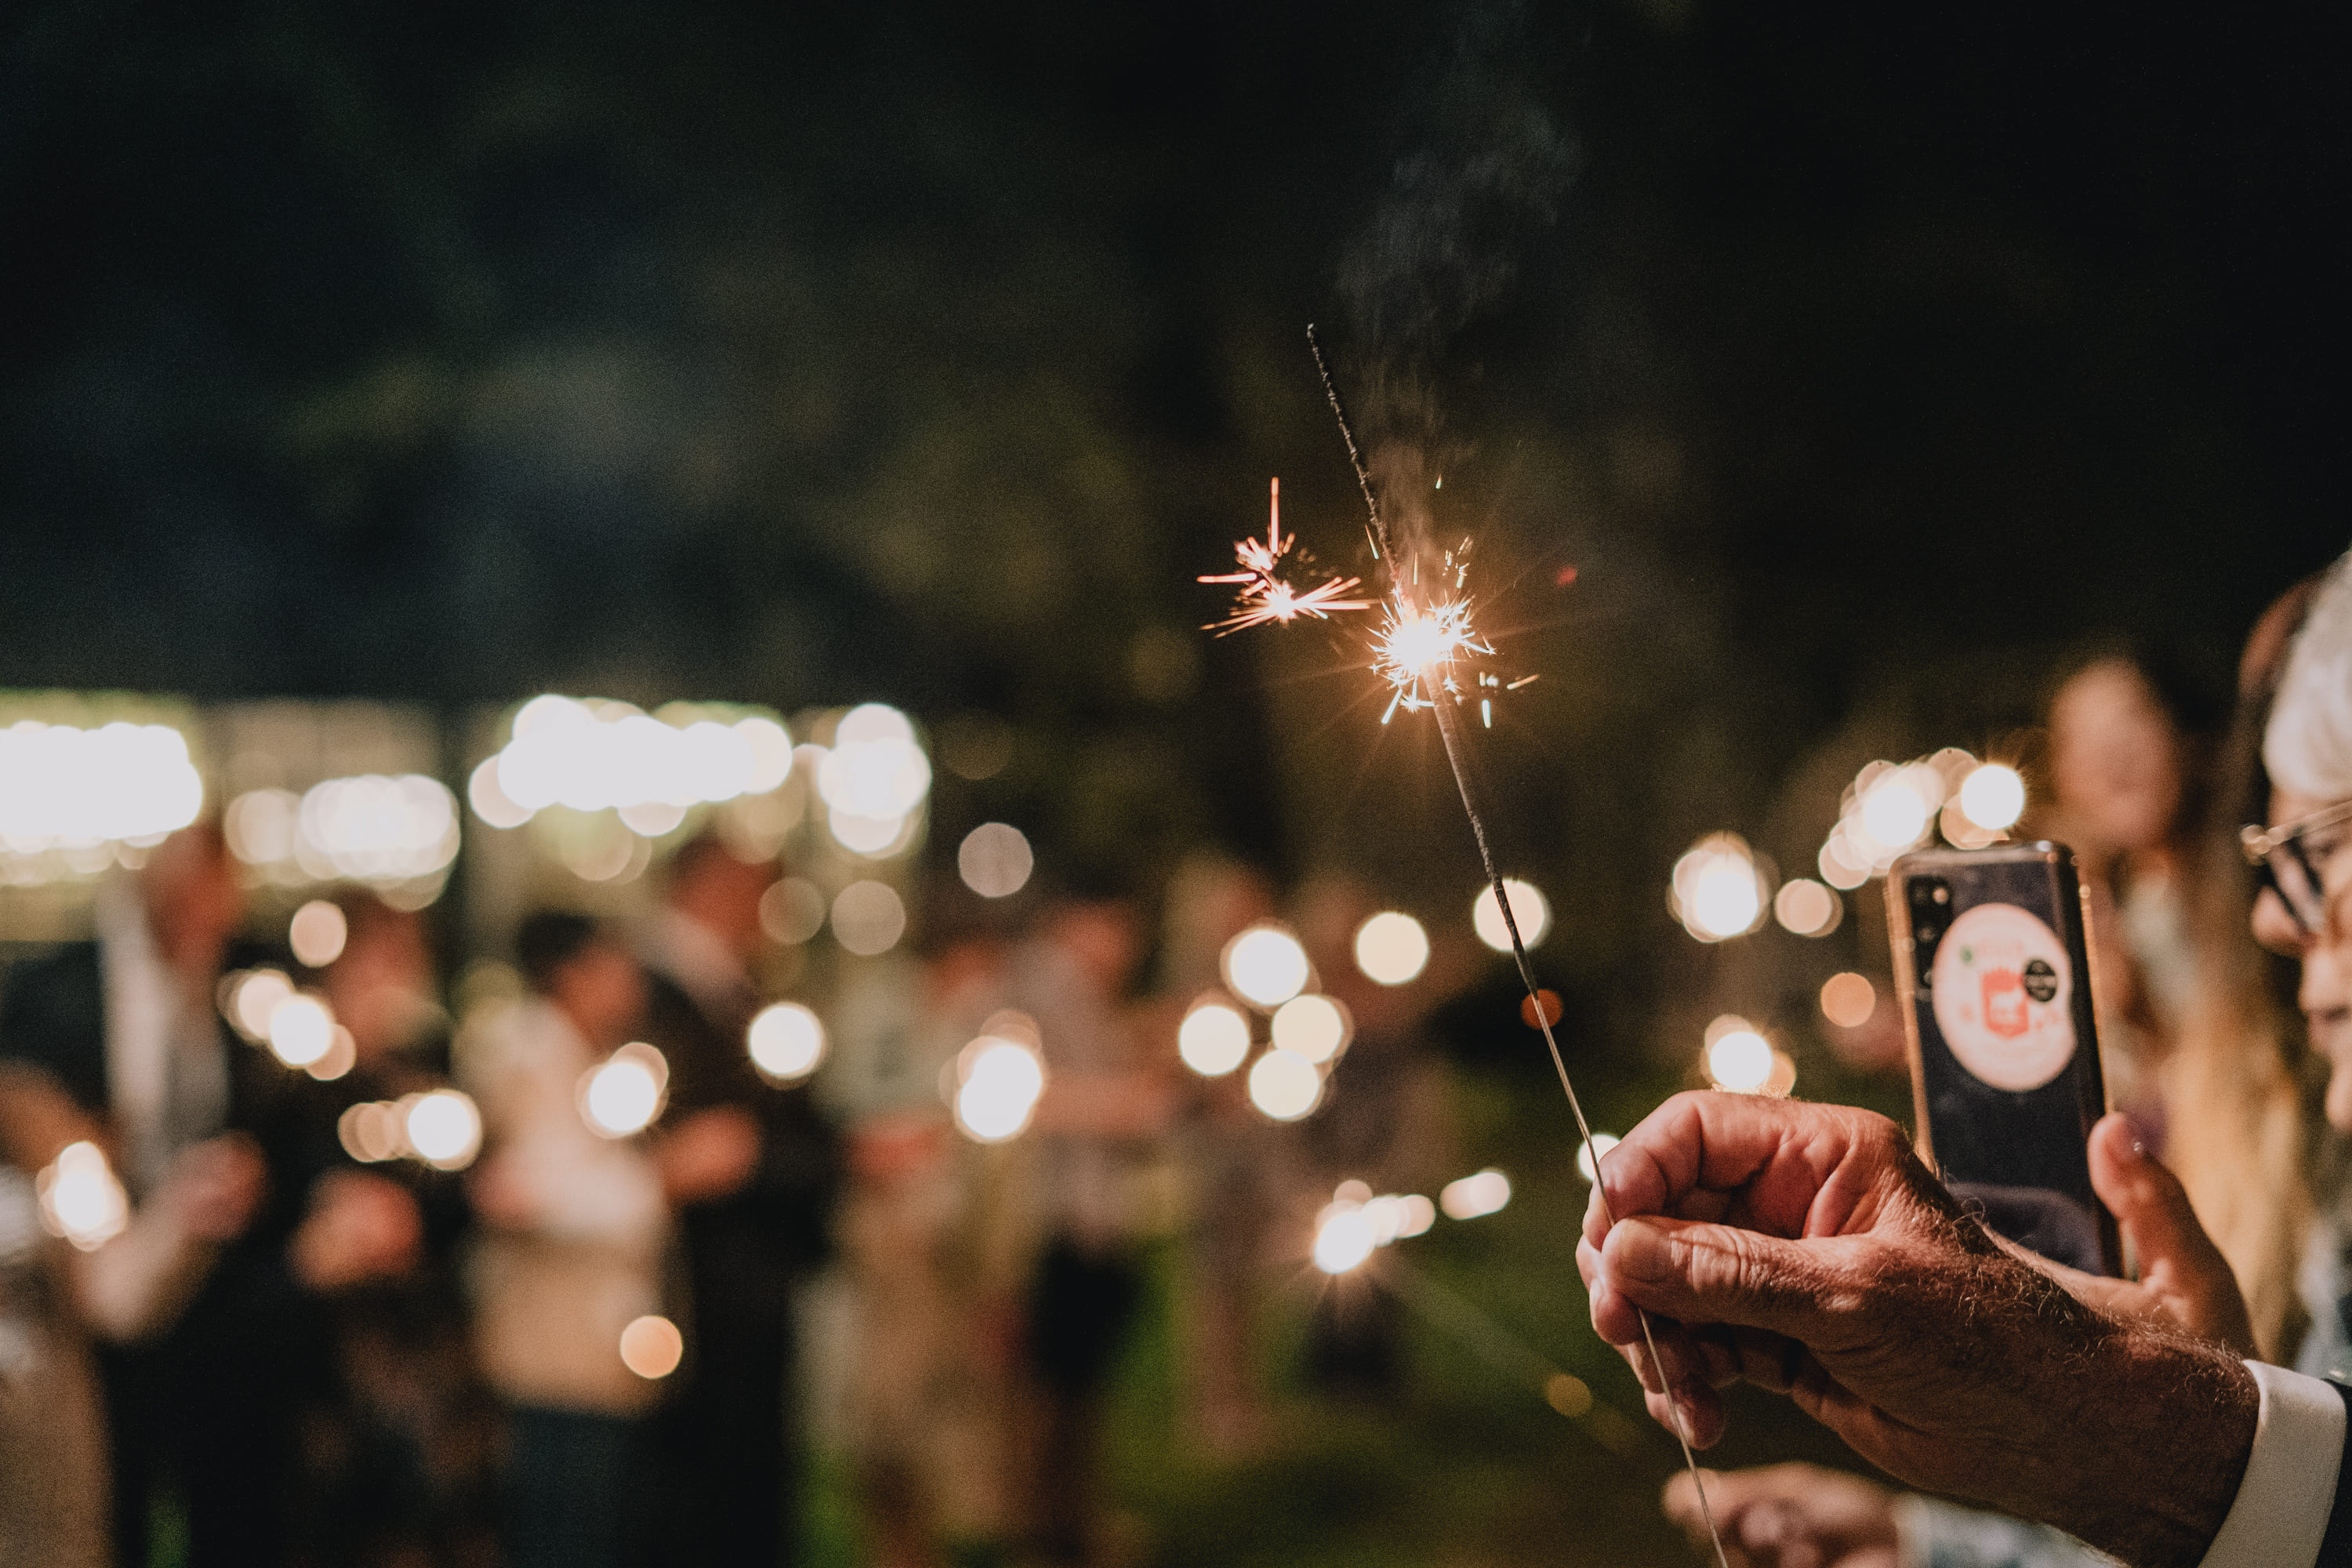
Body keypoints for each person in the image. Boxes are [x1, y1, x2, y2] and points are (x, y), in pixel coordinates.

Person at [1581, 552, 2352, 1567]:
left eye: (2321, 845)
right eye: (2082, 741)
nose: (2279, 916)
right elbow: (2293, 1477)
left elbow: (2283, 1485)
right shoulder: (2085, 909)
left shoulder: (2283, 1101)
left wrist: (2151, 1427)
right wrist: (1924, 1539)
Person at [635, 834, 838, 1567]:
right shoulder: (654, 994)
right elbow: (699, 1145)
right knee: (711, 1475)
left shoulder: (744, 992)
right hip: (702, 1280)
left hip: (754, 1274)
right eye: (757, 889)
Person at [460, 912, 671, 1568]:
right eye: (615, 963)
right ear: (571, 971)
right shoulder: (526, 1051)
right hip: (552, 1347)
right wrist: (653, 1186)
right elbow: (520, 1191)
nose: (631, 982)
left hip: (594, 1345)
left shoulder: (596, 1058)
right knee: (561, 1526)